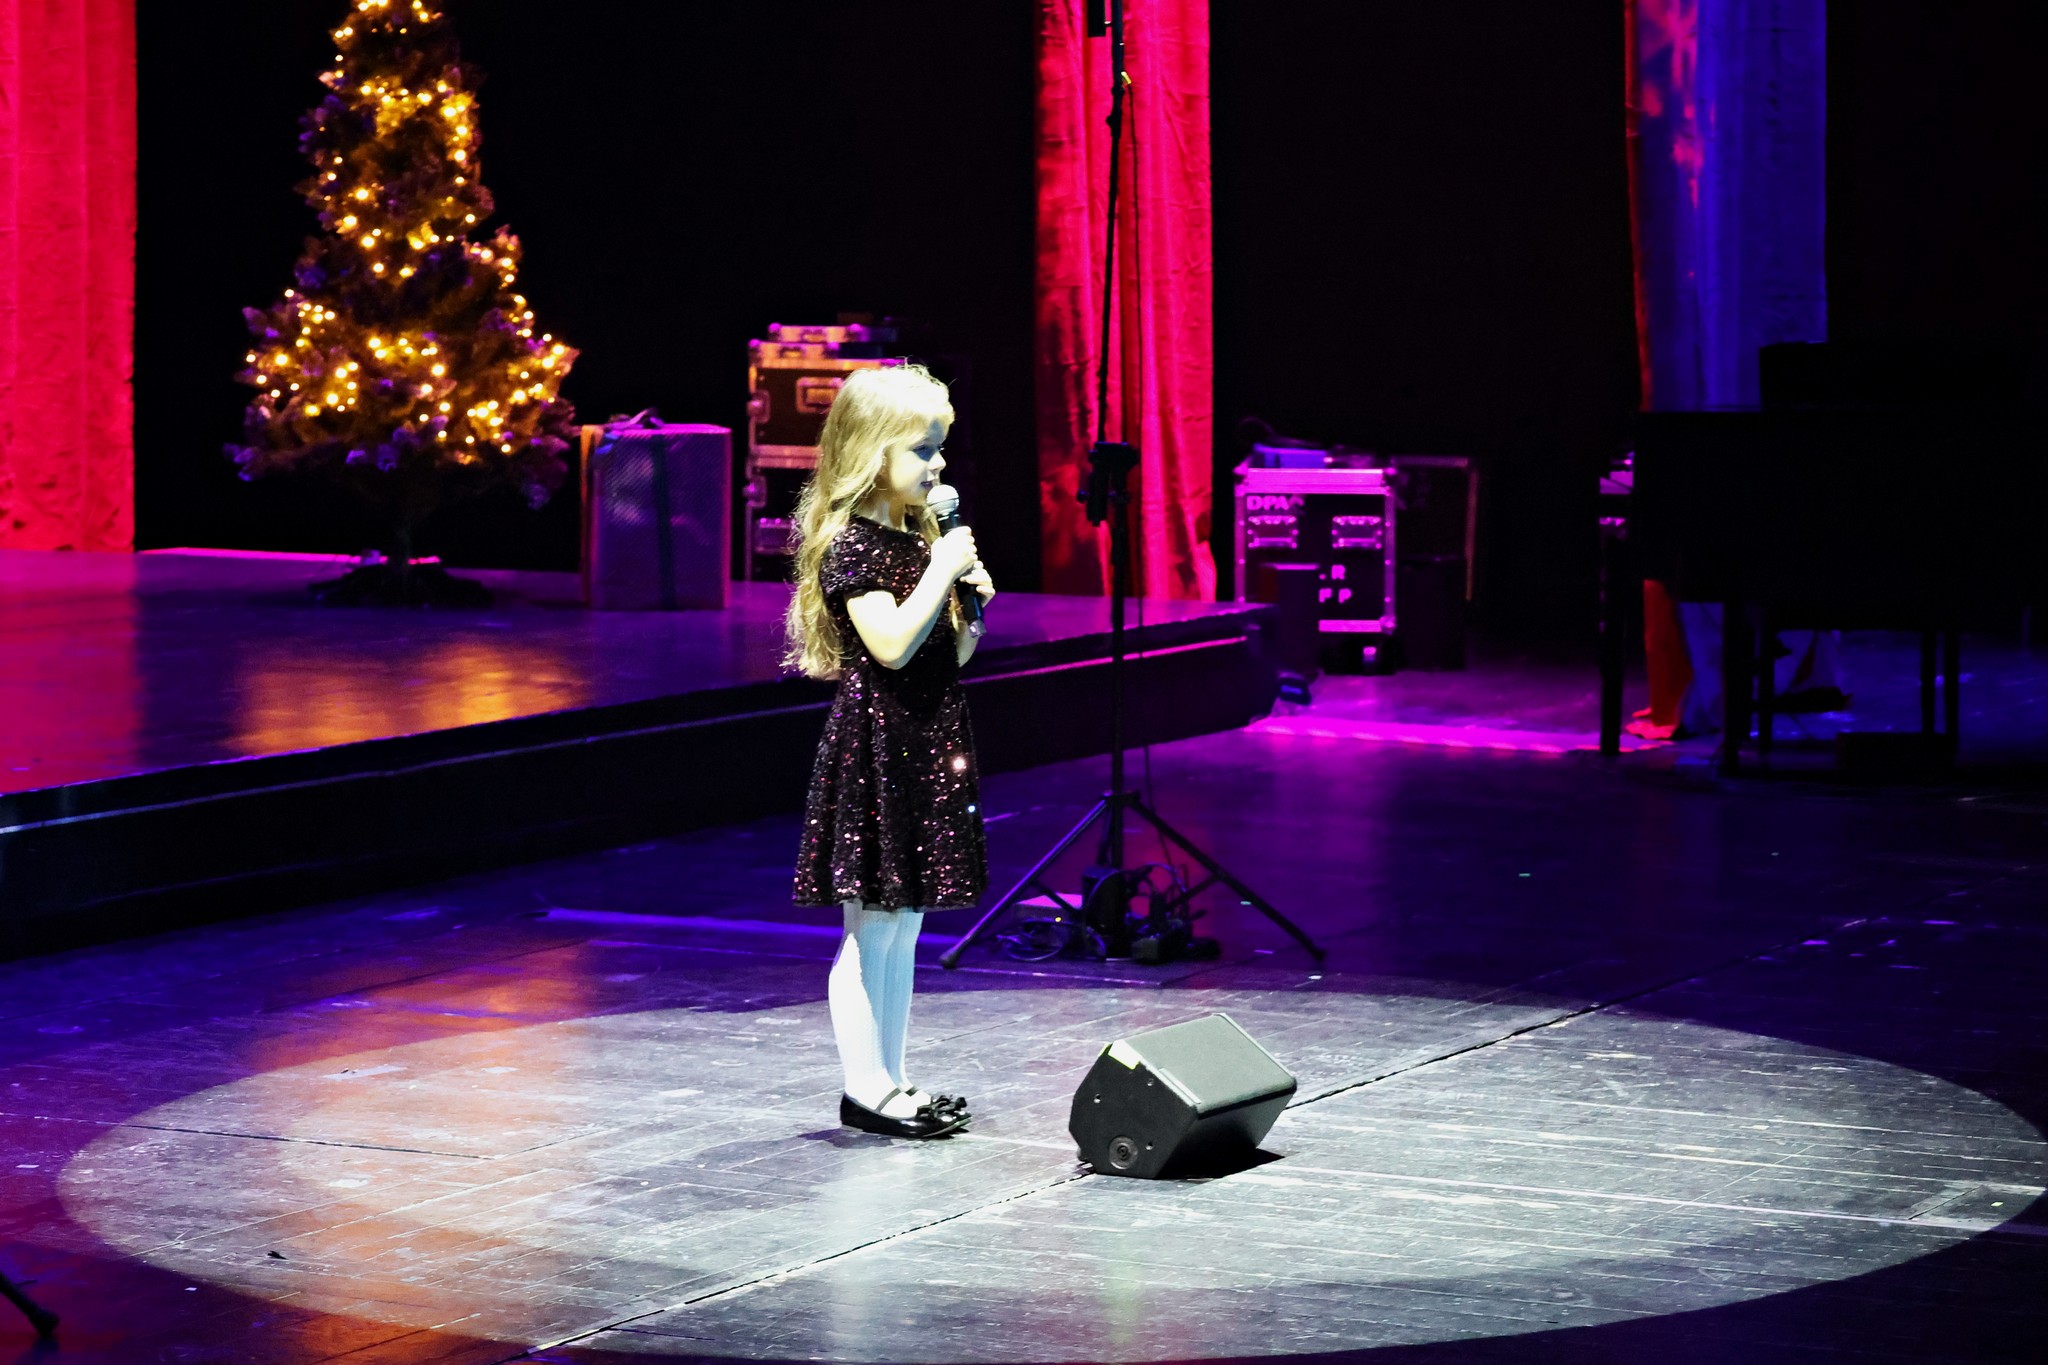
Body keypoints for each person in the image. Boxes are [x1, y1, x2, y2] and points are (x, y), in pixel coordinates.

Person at [783, 364, 996, 1140]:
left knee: (904, 925)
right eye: (923, 449)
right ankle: (865, 1088)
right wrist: (941, 571)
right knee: (870, 928)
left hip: (925, 742)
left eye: (940, 447)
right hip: (878, 749)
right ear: (874, 454)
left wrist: (971, 607)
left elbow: (943, 655)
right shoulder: (854, 547)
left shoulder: (915, 540)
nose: (938, 465)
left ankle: (893, 1079)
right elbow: (892, 645)